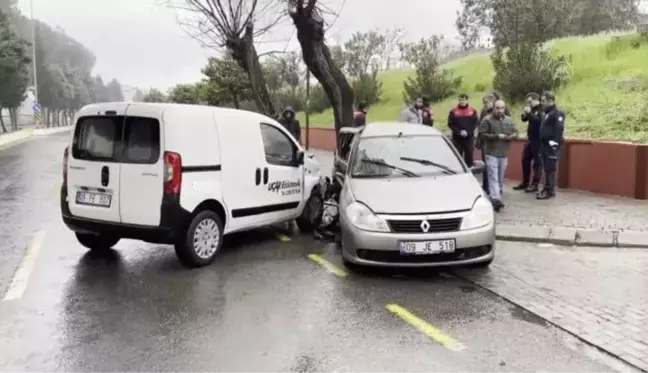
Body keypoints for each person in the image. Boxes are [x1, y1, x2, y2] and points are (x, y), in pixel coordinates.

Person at [478, 99, 518, 211]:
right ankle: (496, 199)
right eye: (497, 108)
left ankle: (495, 196)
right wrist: (496, 136)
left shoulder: (509, 120)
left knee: (500, 178)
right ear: (493, 108)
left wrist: (511, 136)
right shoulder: (487, 120)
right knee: (493, 177)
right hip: (491, 153)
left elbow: (516, 132)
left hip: (504, 154)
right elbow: (481, 135)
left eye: (502, 108)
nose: (500, 110)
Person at [513, 92, 544, 193]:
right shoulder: (532, 109)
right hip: (530, 138)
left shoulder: (541, 109)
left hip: (538, 140)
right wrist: (525, 113)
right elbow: (524, 119)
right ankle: (525, 182)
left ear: (536, 99)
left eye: (530, 101)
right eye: (527, 102)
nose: (529, 103)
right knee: (525, 159)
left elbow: (538, 121)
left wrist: (529, 113)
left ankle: (535, 184)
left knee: (537, 162)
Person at [537, 91, 565, 200]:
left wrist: (554, 146)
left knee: (550, 169)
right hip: (544, 145)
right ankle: (547, 188)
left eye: (544, 101)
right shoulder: (545, 113)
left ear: (551, 101)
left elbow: (559, 130)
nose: (542, 103)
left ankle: (549, 190)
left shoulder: (558, 113)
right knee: (547, 168)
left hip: (551, 146)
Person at [448, 93, 478, 167]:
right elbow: (450, 124)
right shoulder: (453, 111)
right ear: (459, 100)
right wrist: (459, 132)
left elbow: (475, 123)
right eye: (461, 100)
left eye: (464, 100)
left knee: (469, 155)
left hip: (469, 137)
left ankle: (469, 170)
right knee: (457, 156)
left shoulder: (472, 111)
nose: (462, 101)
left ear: (467, 100)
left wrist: (467, 132)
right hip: (457, 138)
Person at [477, 95, 495, 194]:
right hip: (484, 142)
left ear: (492, 102)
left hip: (493, 143)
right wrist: (478, 141)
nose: (484, 105)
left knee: (491, 166)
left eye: (486, 103)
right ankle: (485, 186)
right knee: (485, 165)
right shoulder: (484, 111)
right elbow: (480, 126)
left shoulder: (496, 112)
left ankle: (491, 187)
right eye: (483, 103)